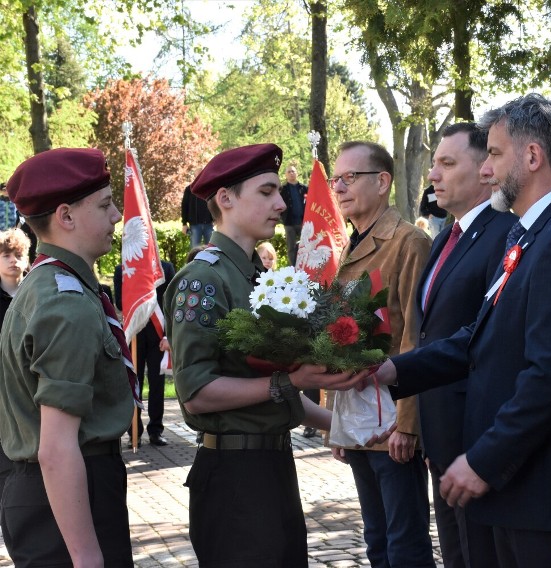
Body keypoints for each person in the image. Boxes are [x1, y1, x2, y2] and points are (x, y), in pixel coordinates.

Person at [366, 94, 551, 567]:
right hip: (516, 494)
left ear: (532, 156)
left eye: (495, 155)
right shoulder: (530, 235)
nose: (487, 169)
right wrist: (392, 370)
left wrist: (483, 460)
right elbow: (479, 337)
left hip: (541, 499)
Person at [166, 143, 367, 567]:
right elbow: (196, 392)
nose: (281, 203)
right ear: (225, 198)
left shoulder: (259, 277)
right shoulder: (202, 281)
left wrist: (345, 427)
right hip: (232, 475)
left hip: (272, 463)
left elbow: (279, 394)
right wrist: (291, 382)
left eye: (278, 192)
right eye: (266, 192)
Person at [0, 148, 135, 567]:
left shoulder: (49, 283)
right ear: (66, 216)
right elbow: (57, 448)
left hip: (54, 495)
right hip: (70, 495)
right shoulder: (66, 300)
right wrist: (86, 556)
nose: (116, 216)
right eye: (106, 203)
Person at [328, 140, 435, 568]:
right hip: (359, 421)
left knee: (404, 545)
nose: (339, 187)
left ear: (383, 182)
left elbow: (415, 338)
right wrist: (337, 423)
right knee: (376, 542)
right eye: (337, 179)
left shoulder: (408, 242)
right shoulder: (351, 246)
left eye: (350, 178)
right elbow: (340, 342)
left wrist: (408, 424)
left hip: (392, 426)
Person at [417, 122, 517, 567]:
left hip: (476, 437)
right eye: (434, 163)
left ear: (485, 171)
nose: (433, 175)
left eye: (447, 163)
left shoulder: (504, 234)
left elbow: (487, 335)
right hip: (441, 436)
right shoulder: (447, 236)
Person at [113, 259, 176, 447]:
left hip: (158, 334)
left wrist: (169, 336)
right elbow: (120, 303)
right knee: (134, 382)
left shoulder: (165, 268)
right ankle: (135, 431)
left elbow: (171, 302)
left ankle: (156, 430)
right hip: (135, 334)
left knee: (157, 384)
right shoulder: (122, 269)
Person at [0, 227, 30, 500]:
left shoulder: (36, 293)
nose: (13, 260)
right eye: (6, 254)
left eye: (18, 254)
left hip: (29, 388)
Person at [280, 162, 308, 266]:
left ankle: (306, 266)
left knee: (306, 246)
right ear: (286, 175)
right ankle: (293, 268)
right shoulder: (282, 190)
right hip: (289, 223)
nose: (291, 173)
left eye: (293, 171)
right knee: (291, 248)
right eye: (289, 171)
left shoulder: (304, 188)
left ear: (297, 173)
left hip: (303, 222)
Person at [181, 183, 214, 248]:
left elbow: (214, 203)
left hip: (208, 224)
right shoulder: (189, 189)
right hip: (195, 225)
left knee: (212, 250)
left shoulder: (209, 187)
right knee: (194, 250)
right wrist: (184, 224)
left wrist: (216, 219)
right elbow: (184, 206)